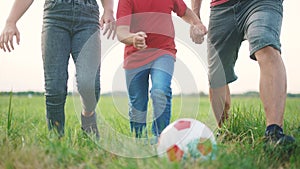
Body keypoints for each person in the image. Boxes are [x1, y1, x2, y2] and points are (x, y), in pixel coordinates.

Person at [0, 0, 115, 138]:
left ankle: (88, 117)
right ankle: (56, 139)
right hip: (55, 16)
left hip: (88, 17)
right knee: (55, 87)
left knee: (89, 84)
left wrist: (108, 10)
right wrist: (11, 21)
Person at [190, 0, 295, 147]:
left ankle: (274, 133)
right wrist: (195, 17)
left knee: (265, 43)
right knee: (217, 74)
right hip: (221, 8)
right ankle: (225, 131)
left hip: (261, 3)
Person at [116, 0, 207, 142]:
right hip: (135, 57)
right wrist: (133, 38)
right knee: (137, 104)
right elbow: (121, 32)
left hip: (163, 52)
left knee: (160, 90)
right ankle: (140, 140)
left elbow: (185, 11)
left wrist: (197, 23)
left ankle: (161, 139)